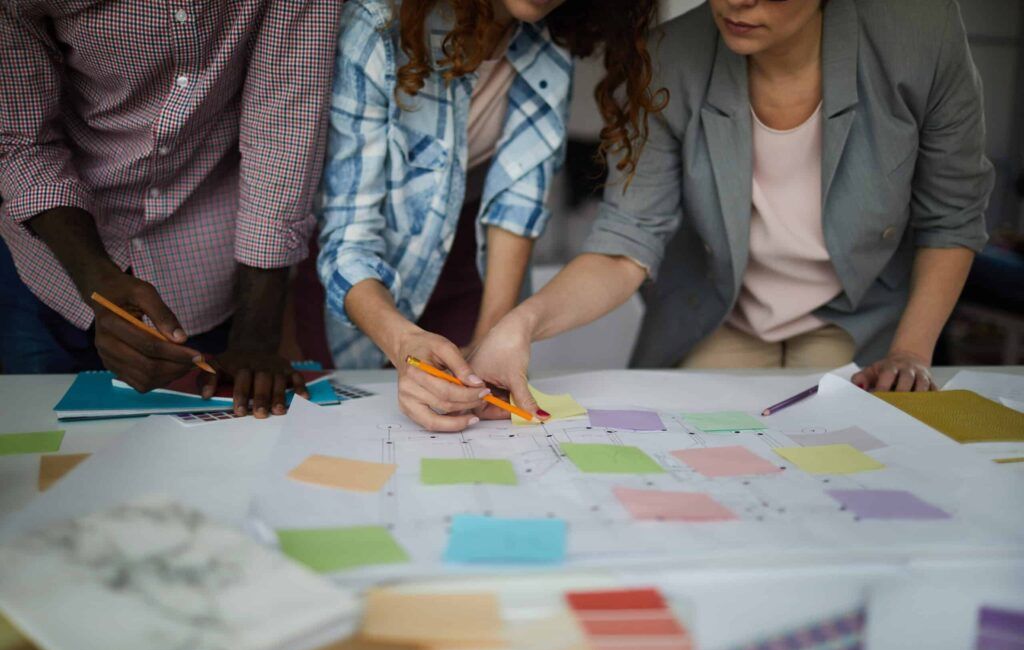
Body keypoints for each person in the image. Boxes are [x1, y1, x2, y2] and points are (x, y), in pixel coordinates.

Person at [466, 0, 995, 417]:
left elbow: (951, 214)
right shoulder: (668, 57)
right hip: (717, 316)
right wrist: (521, 324)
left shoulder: (919, 34)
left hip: (863, 319)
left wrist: (910, 351)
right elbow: (626, 244)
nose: (738, 3)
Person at [318, 0, 667, 430]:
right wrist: (402, 340)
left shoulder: (548, 35)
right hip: (359, 287)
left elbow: (519, 204)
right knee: (361, 430)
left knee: (478, 423)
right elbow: (347, 237)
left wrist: (490, 340)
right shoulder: (377, 23)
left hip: (471, 263)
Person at [0, 1, 342, 418]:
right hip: (46, 268)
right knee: (43, 457)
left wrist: (255, 340)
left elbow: (284, 130)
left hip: (210, 265)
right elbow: (19, 139)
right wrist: (97, 279)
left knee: (204, 466)